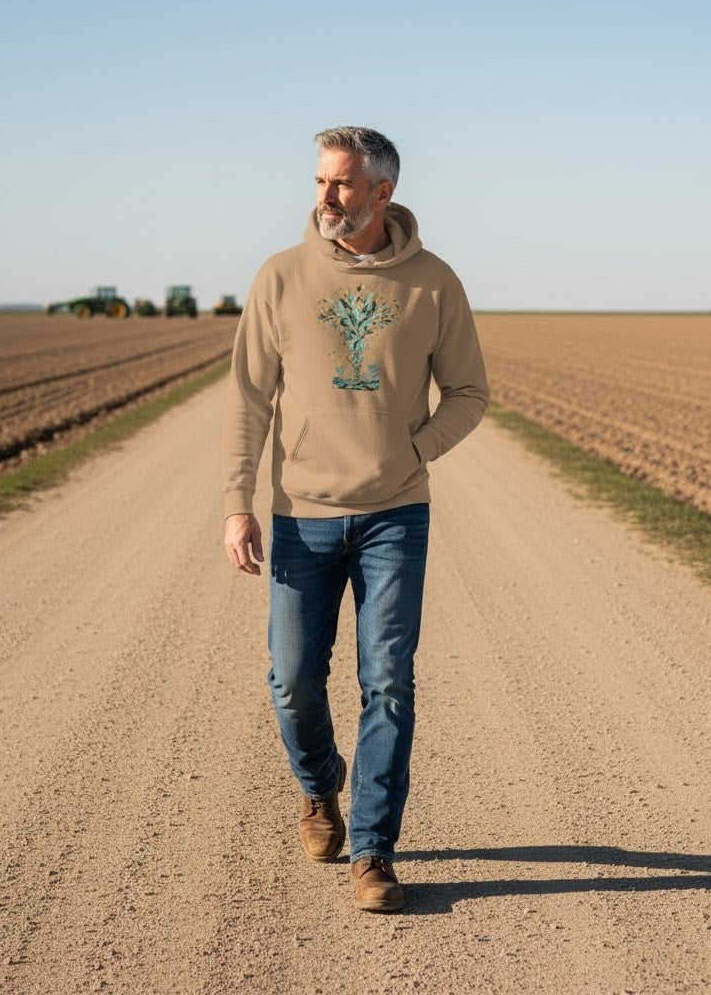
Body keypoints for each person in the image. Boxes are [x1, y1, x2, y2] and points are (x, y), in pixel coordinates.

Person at [222, 126, 489, 912]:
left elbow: (470, 393)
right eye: (318, 182)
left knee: (388, 683)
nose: (323, 198)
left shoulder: (434, 283)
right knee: (294, 680)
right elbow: (248, 398)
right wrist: (239, 503)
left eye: (340, 184)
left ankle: (373, 851)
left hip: (395, 515)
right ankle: (319, 785)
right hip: (302, 516)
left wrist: (417, 448)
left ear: (383, 192)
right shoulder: (281, 277)